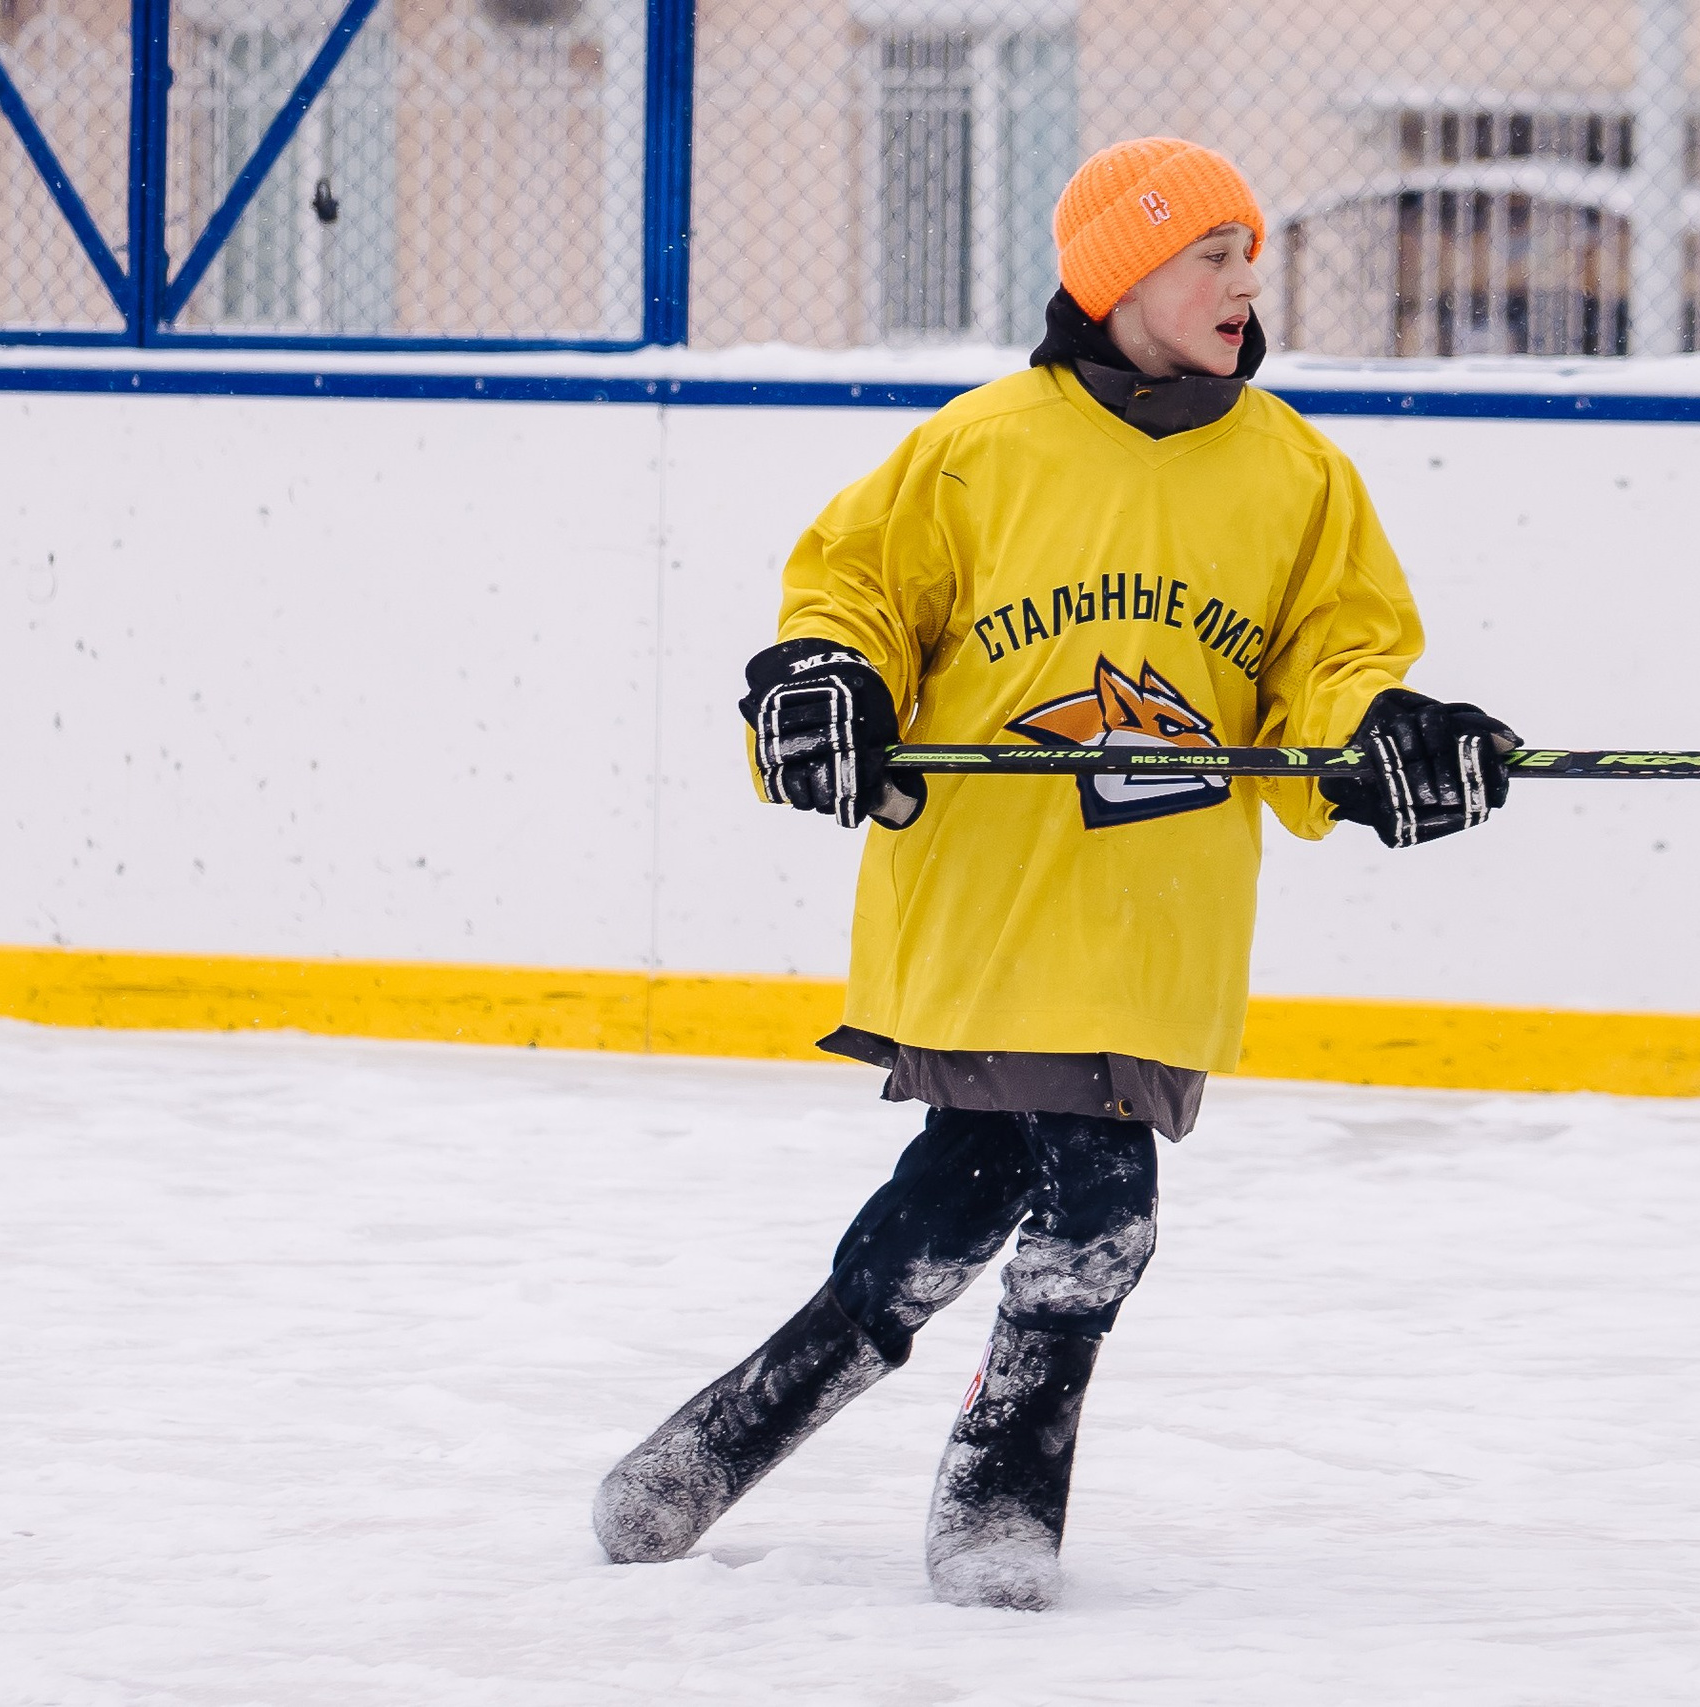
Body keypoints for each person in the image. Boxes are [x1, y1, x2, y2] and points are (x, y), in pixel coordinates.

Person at [592, 137, 1518, 1610]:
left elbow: (1334, 665)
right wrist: (824, 680)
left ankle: (715, 1444)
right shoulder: (980, 447)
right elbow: (854, 596)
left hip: (1159, 926)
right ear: (1118, 272)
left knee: (963, 1196)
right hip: (993, 904)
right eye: (1210, 252)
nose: (1243, 280)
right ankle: (999, 1497)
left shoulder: (1294, 472)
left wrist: (1381, 737)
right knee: (1102, 1207)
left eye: (1248, 254)